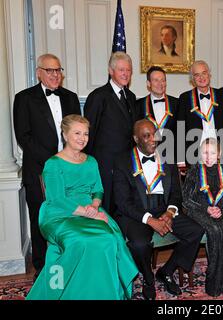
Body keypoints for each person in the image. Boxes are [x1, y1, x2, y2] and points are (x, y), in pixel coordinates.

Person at [26, 115, 138, 300]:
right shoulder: (53, 164)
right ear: (65, 135)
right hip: (59, 214)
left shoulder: (91, 161)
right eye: (77, 133)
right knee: (80, 241)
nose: (82, 138)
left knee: (109, 238)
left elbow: (98, 190)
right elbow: (58, 199)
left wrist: (95, 206)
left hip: (90, 209)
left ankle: (103, 292)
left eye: (85, 133)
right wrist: (91, 214)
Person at [112, 119, 204, 300]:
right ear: (136, 139)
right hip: (136, 213)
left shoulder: (167, 157)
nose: (153, 139)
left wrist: (170, 212)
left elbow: (177, 193)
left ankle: (166, 271)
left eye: (154, 134)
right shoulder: (122, 161)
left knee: (196, 230)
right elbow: (122, 202)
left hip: (163, 208)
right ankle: (148, 279)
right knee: (139, 244)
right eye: (146, 136)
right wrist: (150, 220)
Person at [13, 53, 81, 279]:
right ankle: (43, 267)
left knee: (68, 214)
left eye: (58, 70)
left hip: (69, 170)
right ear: (39, 72)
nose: (54, 75)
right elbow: (24, 136)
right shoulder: (24, 98)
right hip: (40, 171)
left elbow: (78, 133)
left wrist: (70, 160)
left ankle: (69, 261)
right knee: (42, 217)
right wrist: (54, 160)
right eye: (49, 70)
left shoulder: (71, 98)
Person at [84, 51, 138, 213]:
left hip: (127, 164)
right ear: (111, 71)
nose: (125, 73)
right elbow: (89, 133)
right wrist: (89, 164)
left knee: (124, 205)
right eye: (121, 69)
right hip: (105, 165)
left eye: (128, 70)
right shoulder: (98, 96)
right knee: (106, 207)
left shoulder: (131, 96)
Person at [182, 138, 223, 297]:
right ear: (200, 153)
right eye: (205, 152)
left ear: (219, 153)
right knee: (214, 230)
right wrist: (207, 208)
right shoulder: (194, 170)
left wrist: (219, 207)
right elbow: (187, 198)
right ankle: (213, 283)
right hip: (199, 209)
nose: (208, 156)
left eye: (212, 153)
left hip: (221, 208)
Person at [177, 60, 223, 168]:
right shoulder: (185, 98)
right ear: (192, 79)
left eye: (204, 73)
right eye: (197, 75)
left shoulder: (221, 96)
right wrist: (180, 159)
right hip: (194, 153)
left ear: (209, 74)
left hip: (218, 153)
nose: (201, 77)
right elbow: (180, 128)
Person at [136, 66, 179, 163]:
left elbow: (181, 131)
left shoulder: (177, 103)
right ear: (148, 83)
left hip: (172, 159)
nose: (160, 84)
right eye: (156, 80)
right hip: (147, 157)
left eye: (163, 80)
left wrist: (180, 160)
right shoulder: (138, 105)